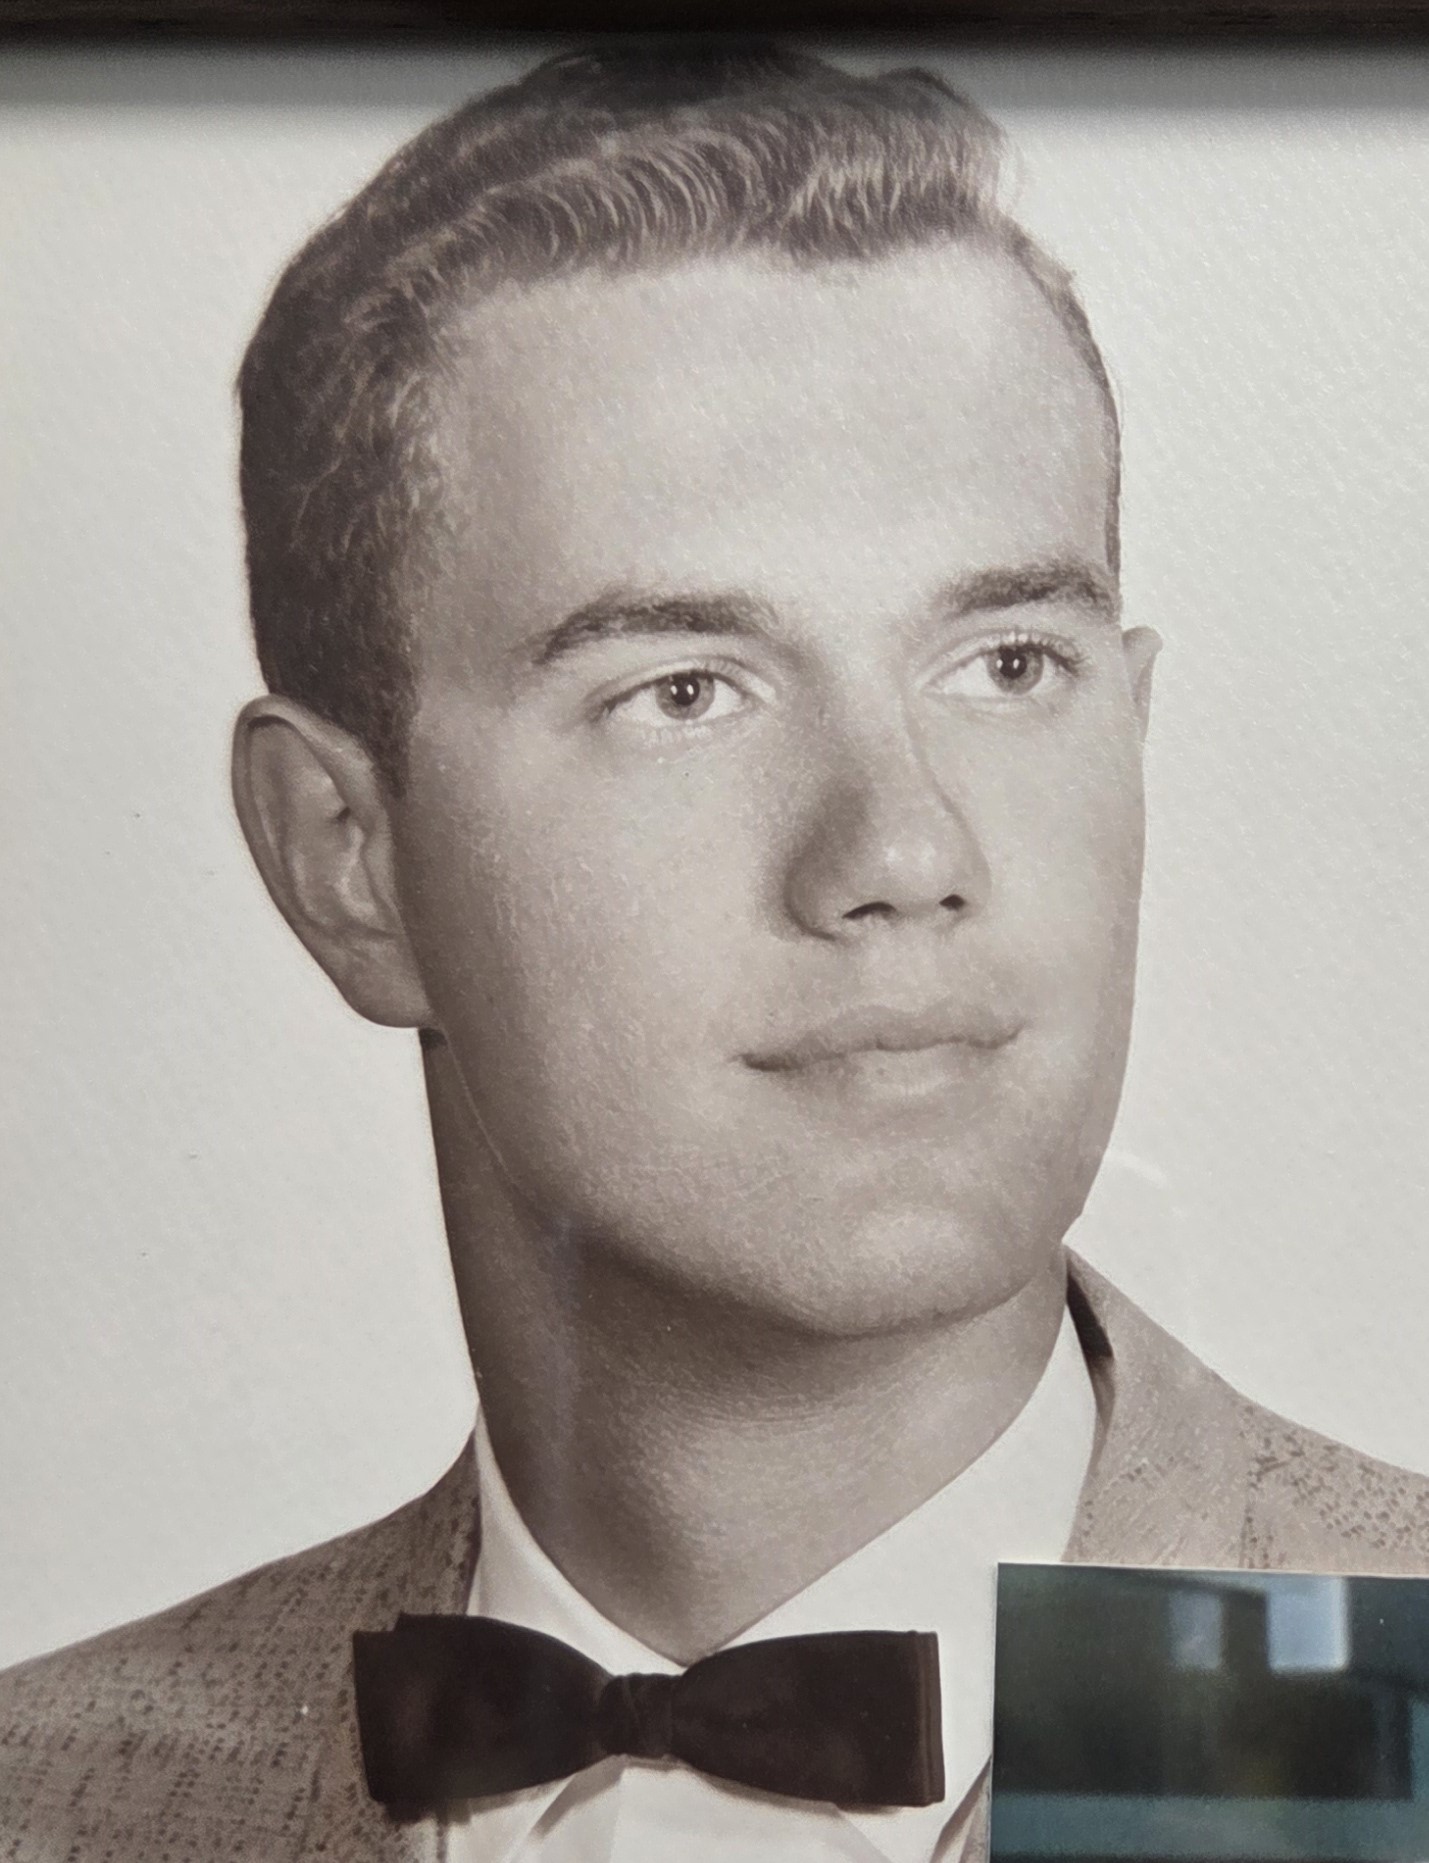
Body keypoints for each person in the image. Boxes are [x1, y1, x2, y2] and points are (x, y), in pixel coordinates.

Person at [2, 43, 1426, 1863]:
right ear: (346, 860)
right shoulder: (47, 1800)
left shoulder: (1391, 1693)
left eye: (1005, 665)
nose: (902, 854)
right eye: (683, 691)